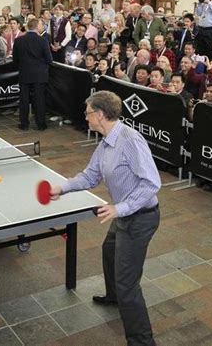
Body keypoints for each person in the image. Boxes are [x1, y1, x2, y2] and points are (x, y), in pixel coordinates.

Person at [49, 90, 161, 346]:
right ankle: (114, 296)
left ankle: (142, 341)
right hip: (124, 214)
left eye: (87, 112)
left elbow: (151, 184)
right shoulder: (105, 143)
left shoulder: (130, 141)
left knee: (128, 285)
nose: (85, 117)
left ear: (100, 115)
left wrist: (119, 208)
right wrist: (63, 187)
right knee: (109, 250)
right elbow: (90, 176)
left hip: (141, 217)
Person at [12, 18, 52, 131]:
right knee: (39, 99)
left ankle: (24, 124)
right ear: (36, 26)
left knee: (24, 99)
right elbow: (49, 59)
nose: (42, 27)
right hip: (40, 74)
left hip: (24, 73)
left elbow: (15, 59)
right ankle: (41, 124)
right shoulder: (42, 40)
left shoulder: (19, 41)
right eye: (41, 25)